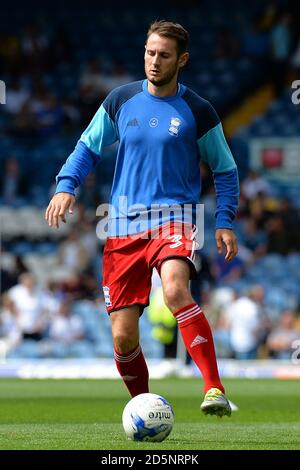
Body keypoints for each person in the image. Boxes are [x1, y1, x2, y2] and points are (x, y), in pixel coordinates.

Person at [45, 21, 239, 417]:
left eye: (164, 55)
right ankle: (145, 409)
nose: (154, 61)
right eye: (150, 52)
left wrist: (224, 220)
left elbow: (225, 169)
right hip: (120, 225)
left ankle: (214, 388)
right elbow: (87, 146)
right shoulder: (121, 100)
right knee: (122, 336)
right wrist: (67, 185)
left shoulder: (198, 111)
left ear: (181, 60)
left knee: (174, 289)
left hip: (175, 216)